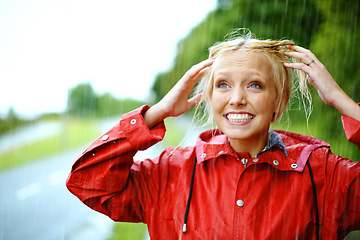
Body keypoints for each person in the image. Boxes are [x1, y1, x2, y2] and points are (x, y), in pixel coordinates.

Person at [66, 30, 360, 239]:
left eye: (255, 85)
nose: (236, 99)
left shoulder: (323, 176)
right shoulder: (171, 172)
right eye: (222, 85)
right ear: (209, 98)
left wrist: (343, 102)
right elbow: (88, 182)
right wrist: (155, 113)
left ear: (279, 101)